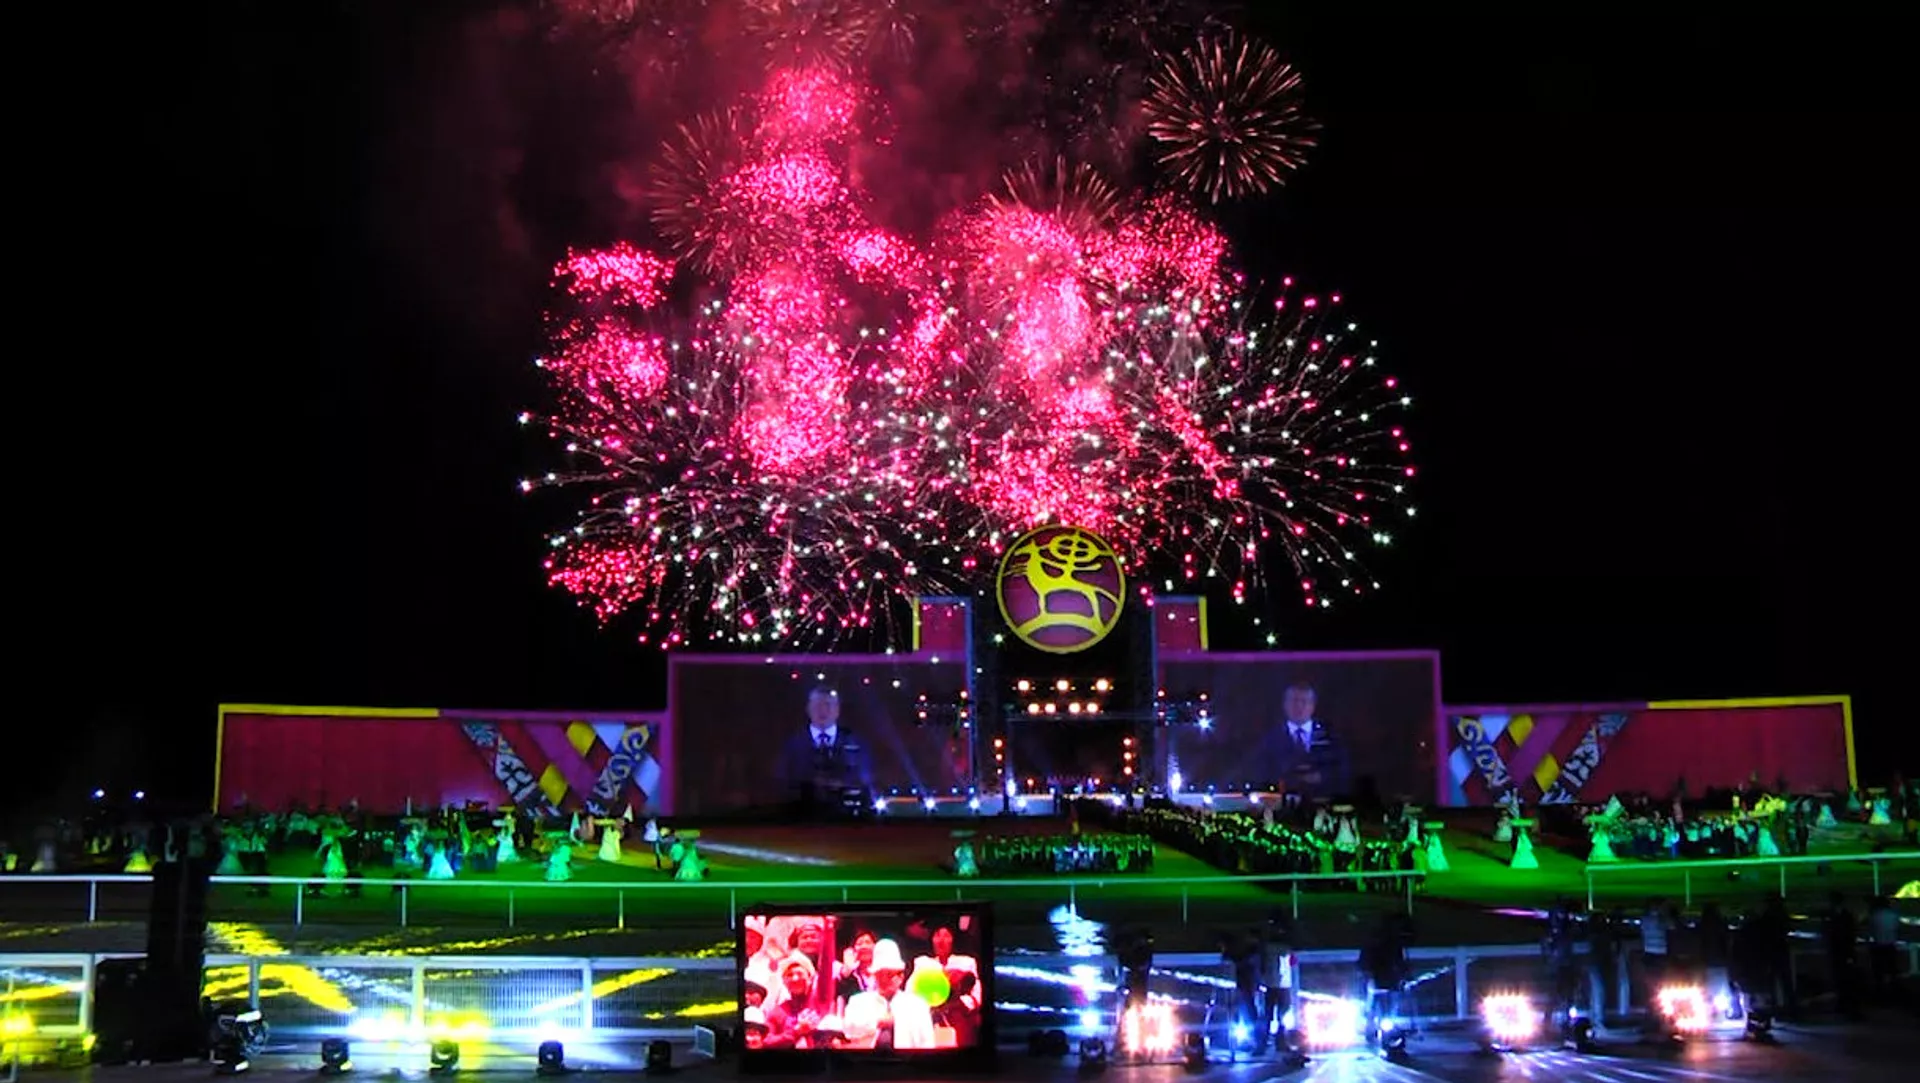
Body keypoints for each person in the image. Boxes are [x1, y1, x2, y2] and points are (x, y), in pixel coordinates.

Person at [777, 685, 875, 816]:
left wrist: (841, 785)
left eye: (828, 705)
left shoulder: (857, 743)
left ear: (837, 710)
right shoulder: (793, 745)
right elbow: (783, 781)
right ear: (808, 709)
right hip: (802, 815)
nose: (823, 710)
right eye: (817, 705)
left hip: (847, 816)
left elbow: (866, 780)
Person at [841, 939, 936, 1050]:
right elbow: (848, 1028)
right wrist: (877, 1022)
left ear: (901, 976)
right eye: (880, 974)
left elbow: (927, 1043)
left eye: (889, 974)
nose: (884, 980)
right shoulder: (859, 1002)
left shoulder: (917, 1005)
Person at [1263, 683, 1350, 798]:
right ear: (1285, 705)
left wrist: (1321, 777)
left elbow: (1342, 770)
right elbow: (1264, 773)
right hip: (1284, 800)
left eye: (1304, 701)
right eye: (1294, 701)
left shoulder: (1331, 736)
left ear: (1313, 706)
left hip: (1324, 799)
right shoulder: (1270, 740)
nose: (1299, 706)